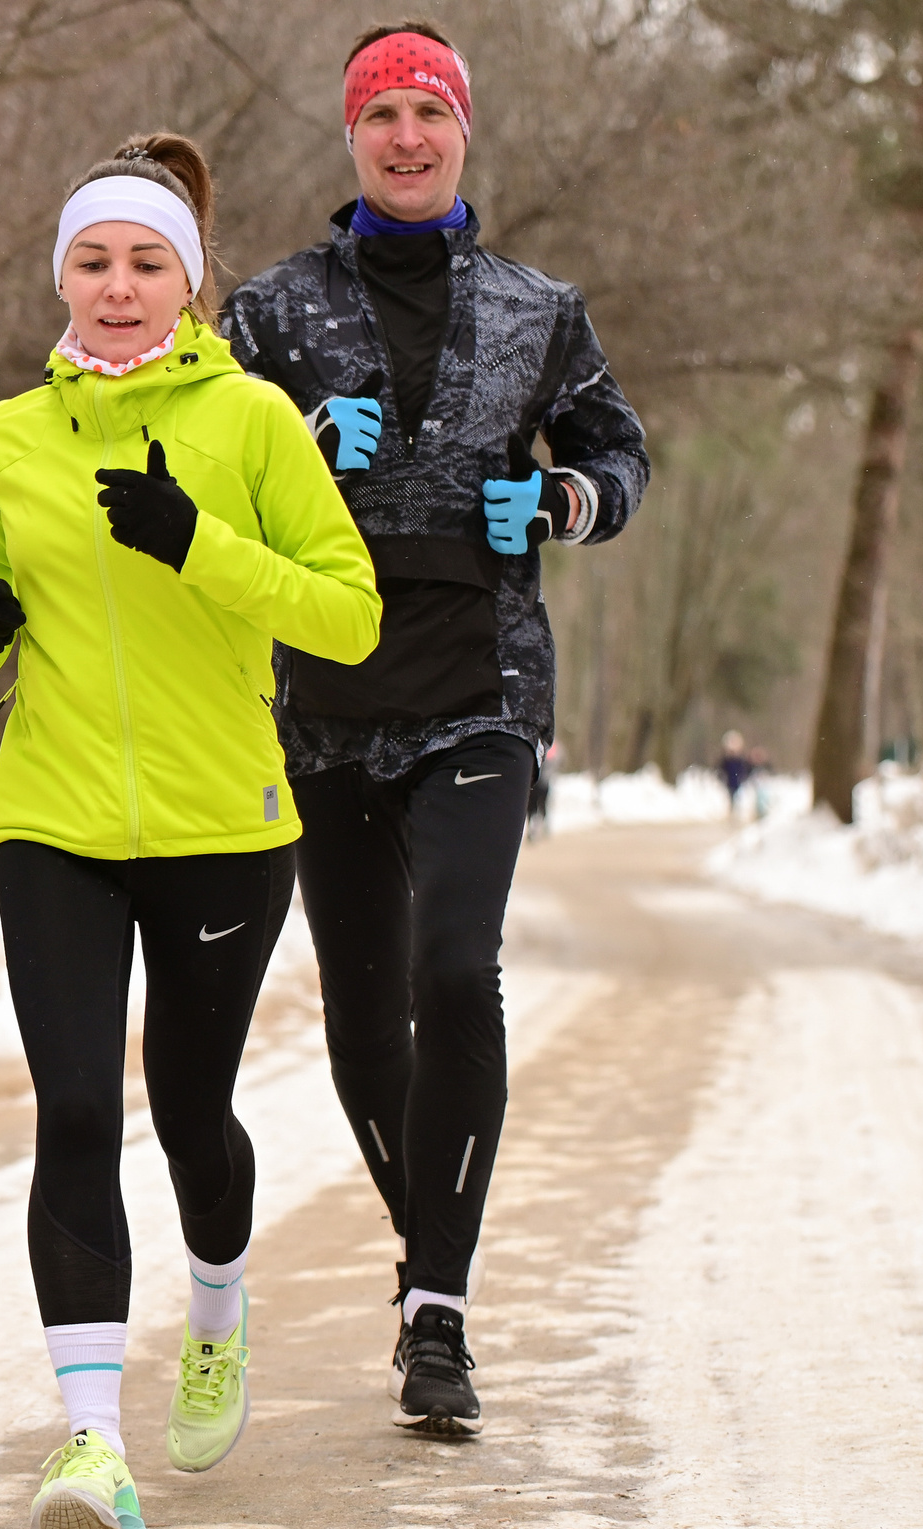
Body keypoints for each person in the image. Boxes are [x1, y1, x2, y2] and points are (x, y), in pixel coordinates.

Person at [0, 134, 380, 1529]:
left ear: (188, 281)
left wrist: (200, 544)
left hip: (219, 824)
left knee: (190, 1110)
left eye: (146, 263)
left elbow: (347, 613)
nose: (116, 288)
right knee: (76, 1113)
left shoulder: (253, 421)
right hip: (54, 818)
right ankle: (91, 1445)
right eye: (92, 261)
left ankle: (214, 1306)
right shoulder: (10, 433)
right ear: (59, 275)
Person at [223, 20, 649, 1435]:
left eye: (430, 112)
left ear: (465, 132)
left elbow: (615, 451)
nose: (407, 136)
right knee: (360, 1031)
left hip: (482, 681)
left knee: (453, 965)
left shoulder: (539, 308)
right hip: (326, 698)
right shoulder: (274, 312)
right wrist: (290, 435)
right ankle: (433, 1254)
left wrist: (567, 503)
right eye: (380, 115)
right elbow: (204, 469)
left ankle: (439, 1313)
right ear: (350, 140)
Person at [721, 729, 754, 820]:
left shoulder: (741, 760)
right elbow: (722, 770)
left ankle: (739, 814)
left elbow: (746, 770)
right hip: (731, 783)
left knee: (740, 799)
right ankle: (733, 813)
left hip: (739, 782)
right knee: (732, 799)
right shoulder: (727, 760)